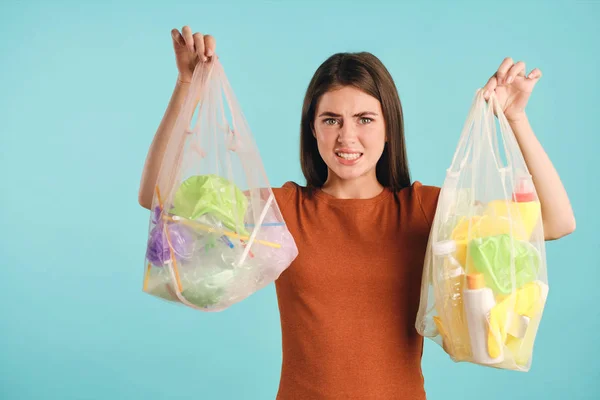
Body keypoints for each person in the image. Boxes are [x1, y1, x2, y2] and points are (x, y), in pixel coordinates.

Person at [138, 26, 576, 400]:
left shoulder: (422, 211)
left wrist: (516, 118)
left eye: (365, 118)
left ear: (389, 127)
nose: (347, 135)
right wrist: (186, 86)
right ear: (313, 128)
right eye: (331, 119)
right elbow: (158, 200)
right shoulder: (285, 211)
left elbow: (556, 223)